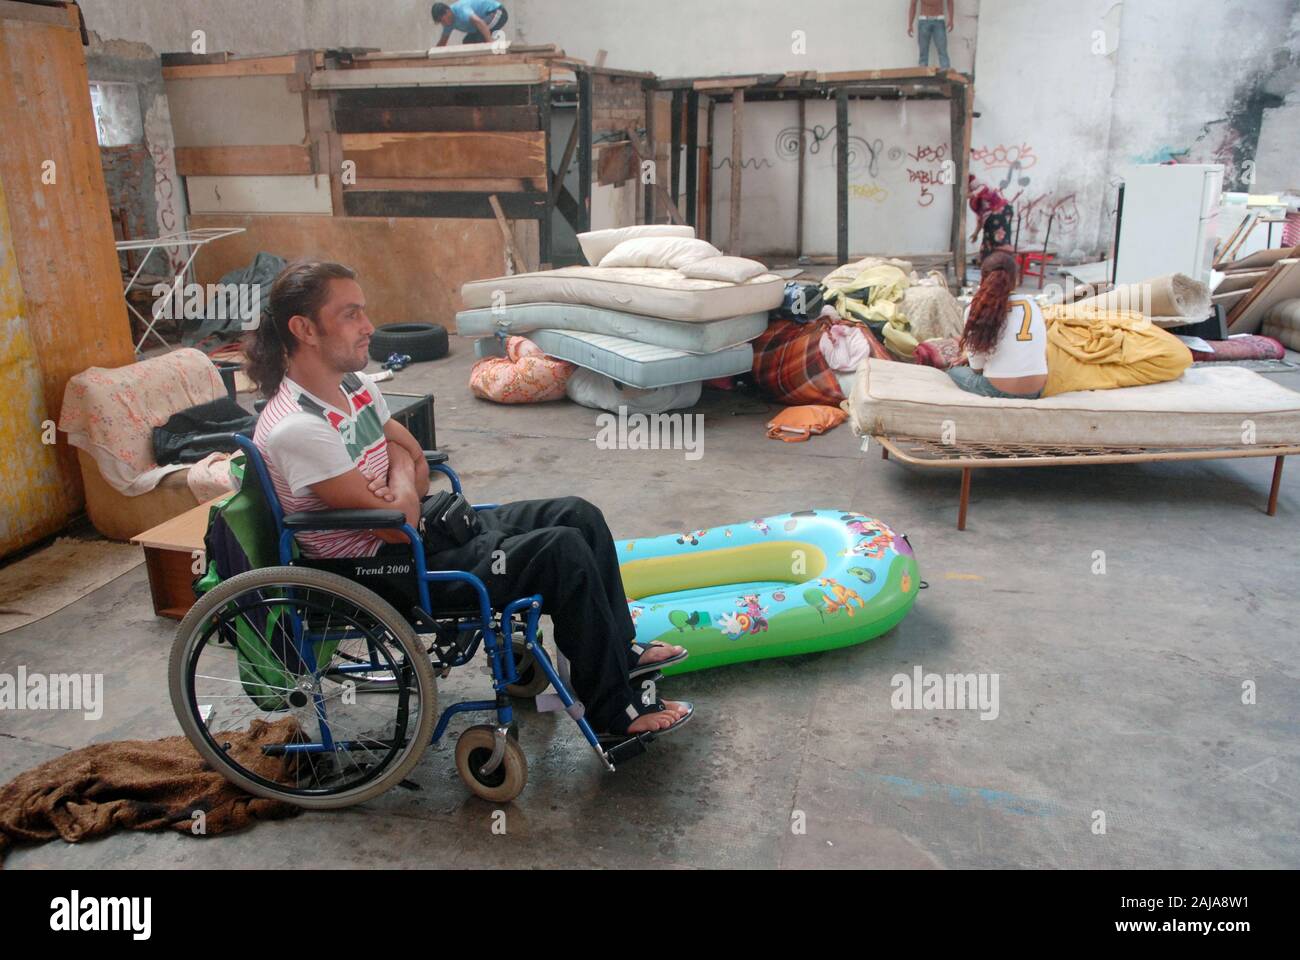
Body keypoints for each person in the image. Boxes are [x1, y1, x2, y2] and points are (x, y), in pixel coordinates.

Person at [244, 260, 691, 742]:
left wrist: (397, 478)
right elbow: (394, 522)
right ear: (304, 329)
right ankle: (611, 713)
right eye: (351, 314)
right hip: (384, 574)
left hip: (421, 536)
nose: (369, 327)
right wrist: (400, 478)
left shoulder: (354, 388)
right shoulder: (298, 427)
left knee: (577, 514)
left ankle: (621, 653)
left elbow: (415, 457)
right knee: (560, 551)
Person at [949, 251, 1047, 399]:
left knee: (952, 372)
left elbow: (977, 369)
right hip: (1035, 390)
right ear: (1016, 280)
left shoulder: (976, 309)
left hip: (997, 389)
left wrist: (968, 357)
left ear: (983, 279)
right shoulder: (1033, 305)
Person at [968, 174, 1014, 261]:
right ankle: (999, 262)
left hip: (998, 212)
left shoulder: (974, 183)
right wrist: (975, 233)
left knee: (996, 240)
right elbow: (980, 219)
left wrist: (969, 194)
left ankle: (995, 262)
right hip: (1004, 210)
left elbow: (983, 188)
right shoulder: (979, 203)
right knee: (997, 239)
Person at [432, 0, 507, 46]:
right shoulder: (448, 24)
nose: (443, 24)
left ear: (448, 11)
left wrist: (490, 42)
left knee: (481, 37)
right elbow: (443, 42)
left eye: (443, 20)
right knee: (468, 42)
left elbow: (479, 22)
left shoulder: (462, 9)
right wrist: (431, 54)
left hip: (496, 12)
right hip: (481, 24)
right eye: (441, 22)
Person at [908, 0, 953, 70]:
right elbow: (913, 4)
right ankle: (923, 75)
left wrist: (951, 19)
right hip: (924, 20)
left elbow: (950, 2)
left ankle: (946, 72)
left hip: (939, 20)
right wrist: (910, 24)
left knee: (942, 50)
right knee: (923, 52)